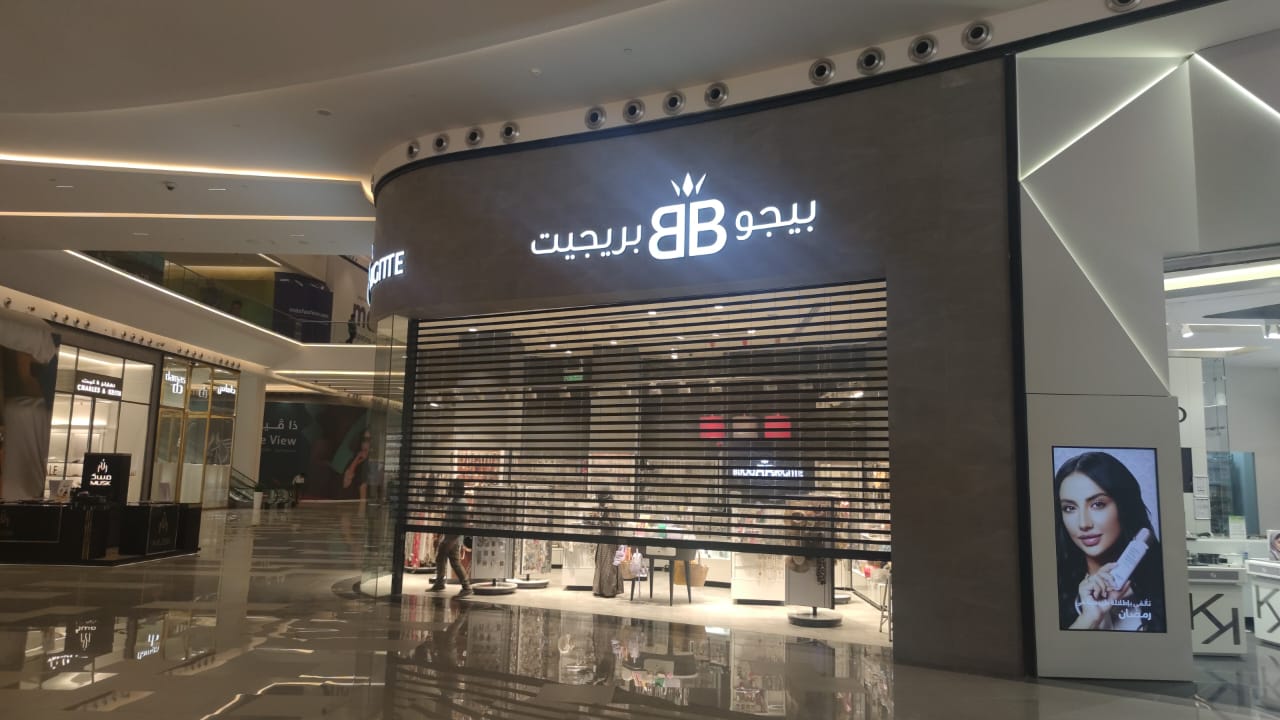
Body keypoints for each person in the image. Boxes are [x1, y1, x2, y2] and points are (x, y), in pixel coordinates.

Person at [1055, 451, 1166, 632]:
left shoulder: (1162, 582)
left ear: (1124, 506)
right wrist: (1089, 618)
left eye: (1097, 504)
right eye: (1069, 508)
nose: (1083, 523)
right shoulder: (1053, 587)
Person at [430, 481, 473, 597]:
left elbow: (463, 523)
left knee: (454, 562)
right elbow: (446, 520)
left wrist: (454, 540)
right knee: (440, 558)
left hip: (454, 537)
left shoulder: (461, 503)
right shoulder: (452, 501)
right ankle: (440, 582)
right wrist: (439, 535)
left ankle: (466, 586)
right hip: (447, 536)